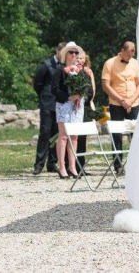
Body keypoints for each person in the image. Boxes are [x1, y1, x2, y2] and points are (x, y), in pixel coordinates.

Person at [102, 41, 139, 174]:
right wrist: (122, 100)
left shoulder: (135, 63)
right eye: (128, 55)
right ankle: (118, 165)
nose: (130, 57)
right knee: (116, 134)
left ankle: (136, 164)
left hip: (133, 103)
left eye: (132, 55)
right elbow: (106, 86)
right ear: (122, 50)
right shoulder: (109, 63)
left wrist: (131, 100)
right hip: (116, 103)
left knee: (136, 135)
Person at [52, 43, 85, 179]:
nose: (74, 55)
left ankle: (72, 166)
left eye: (76, 53)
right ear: (65, 54)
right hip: (64, 104)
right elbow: (54, 89)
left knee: (74, 136)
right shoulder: (59, 70)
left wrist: (80, 95)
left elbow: (86, 87)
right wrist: (68, 97)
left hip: (77, 105)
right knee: (63, 136)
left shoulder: (80, 70)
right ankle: (62, 167)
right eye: (71, 52)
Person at [32, 42, 64, 175]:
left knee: (56, 134)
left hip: (60, 104)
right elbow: (37, 83)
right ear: (57, 51)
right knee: (45, 132)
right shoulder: (46, 65)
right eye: (62, 52)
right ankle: (39, 164)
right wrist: (44, 96)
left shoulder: (65, 66)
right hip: (47, 103)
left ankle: (52, 163)